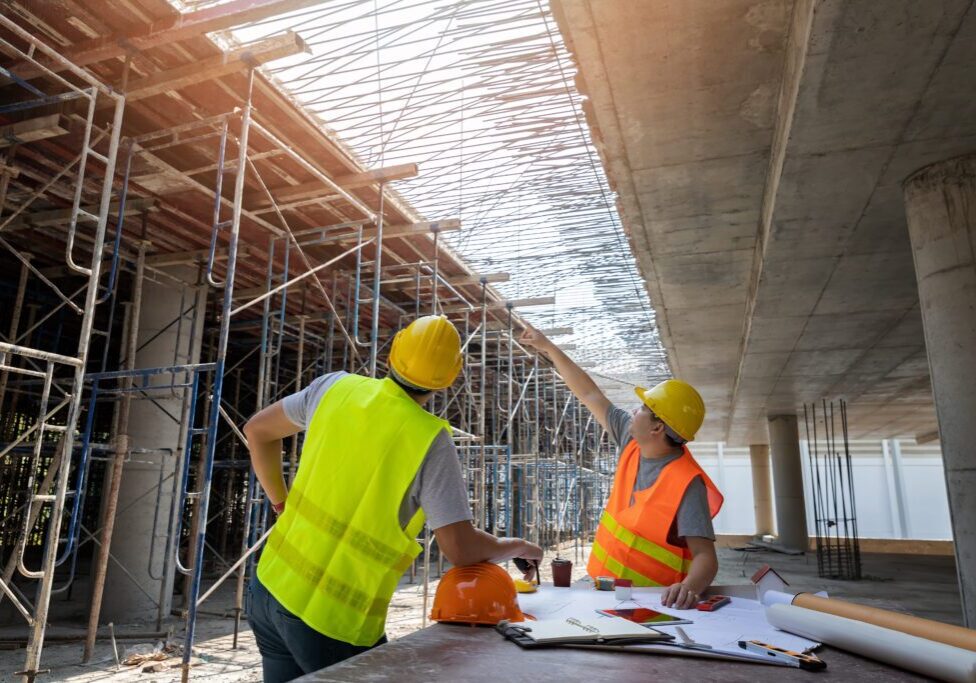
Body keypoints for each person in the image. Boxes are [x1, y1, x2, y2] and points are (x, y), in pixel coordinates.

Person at [244, 314, 543, 682]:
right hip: (332, 621)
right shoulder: (429, 440)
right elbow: (461, 549)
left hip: (268, 586)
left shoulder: (333, 388)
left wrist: (280, 502)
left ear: (392, 353)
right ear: (450, 377)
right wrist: (519, 546)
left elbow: (257, 431)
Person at [519, 323, 723, 610]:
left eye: (642, 408)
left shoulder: (687, 483)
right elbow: (589, 394)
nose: (633, 410)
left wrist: (688, 589)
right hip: (601, 590)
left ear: (657, 427)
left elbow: (706, 557)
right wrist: (548, 347)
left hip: (652, 604)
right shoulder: (631, 442)